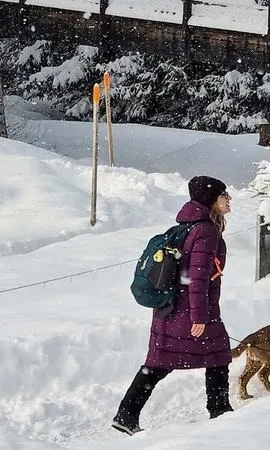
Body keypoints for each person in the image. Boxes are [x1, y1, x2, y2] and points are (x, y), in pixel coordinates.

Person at [112, 175, 234, 436]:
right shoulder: (205, 231)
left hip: (171, 309)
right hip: (192, 310)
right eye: (224, 195)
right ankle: (220, 410)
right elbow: (196, 279)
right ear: (212, 199)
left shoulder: (188, 225)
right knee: (218, 355)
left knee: (160, 362)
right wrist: (199, 317)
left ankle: (126, 414)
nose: (229, 200)